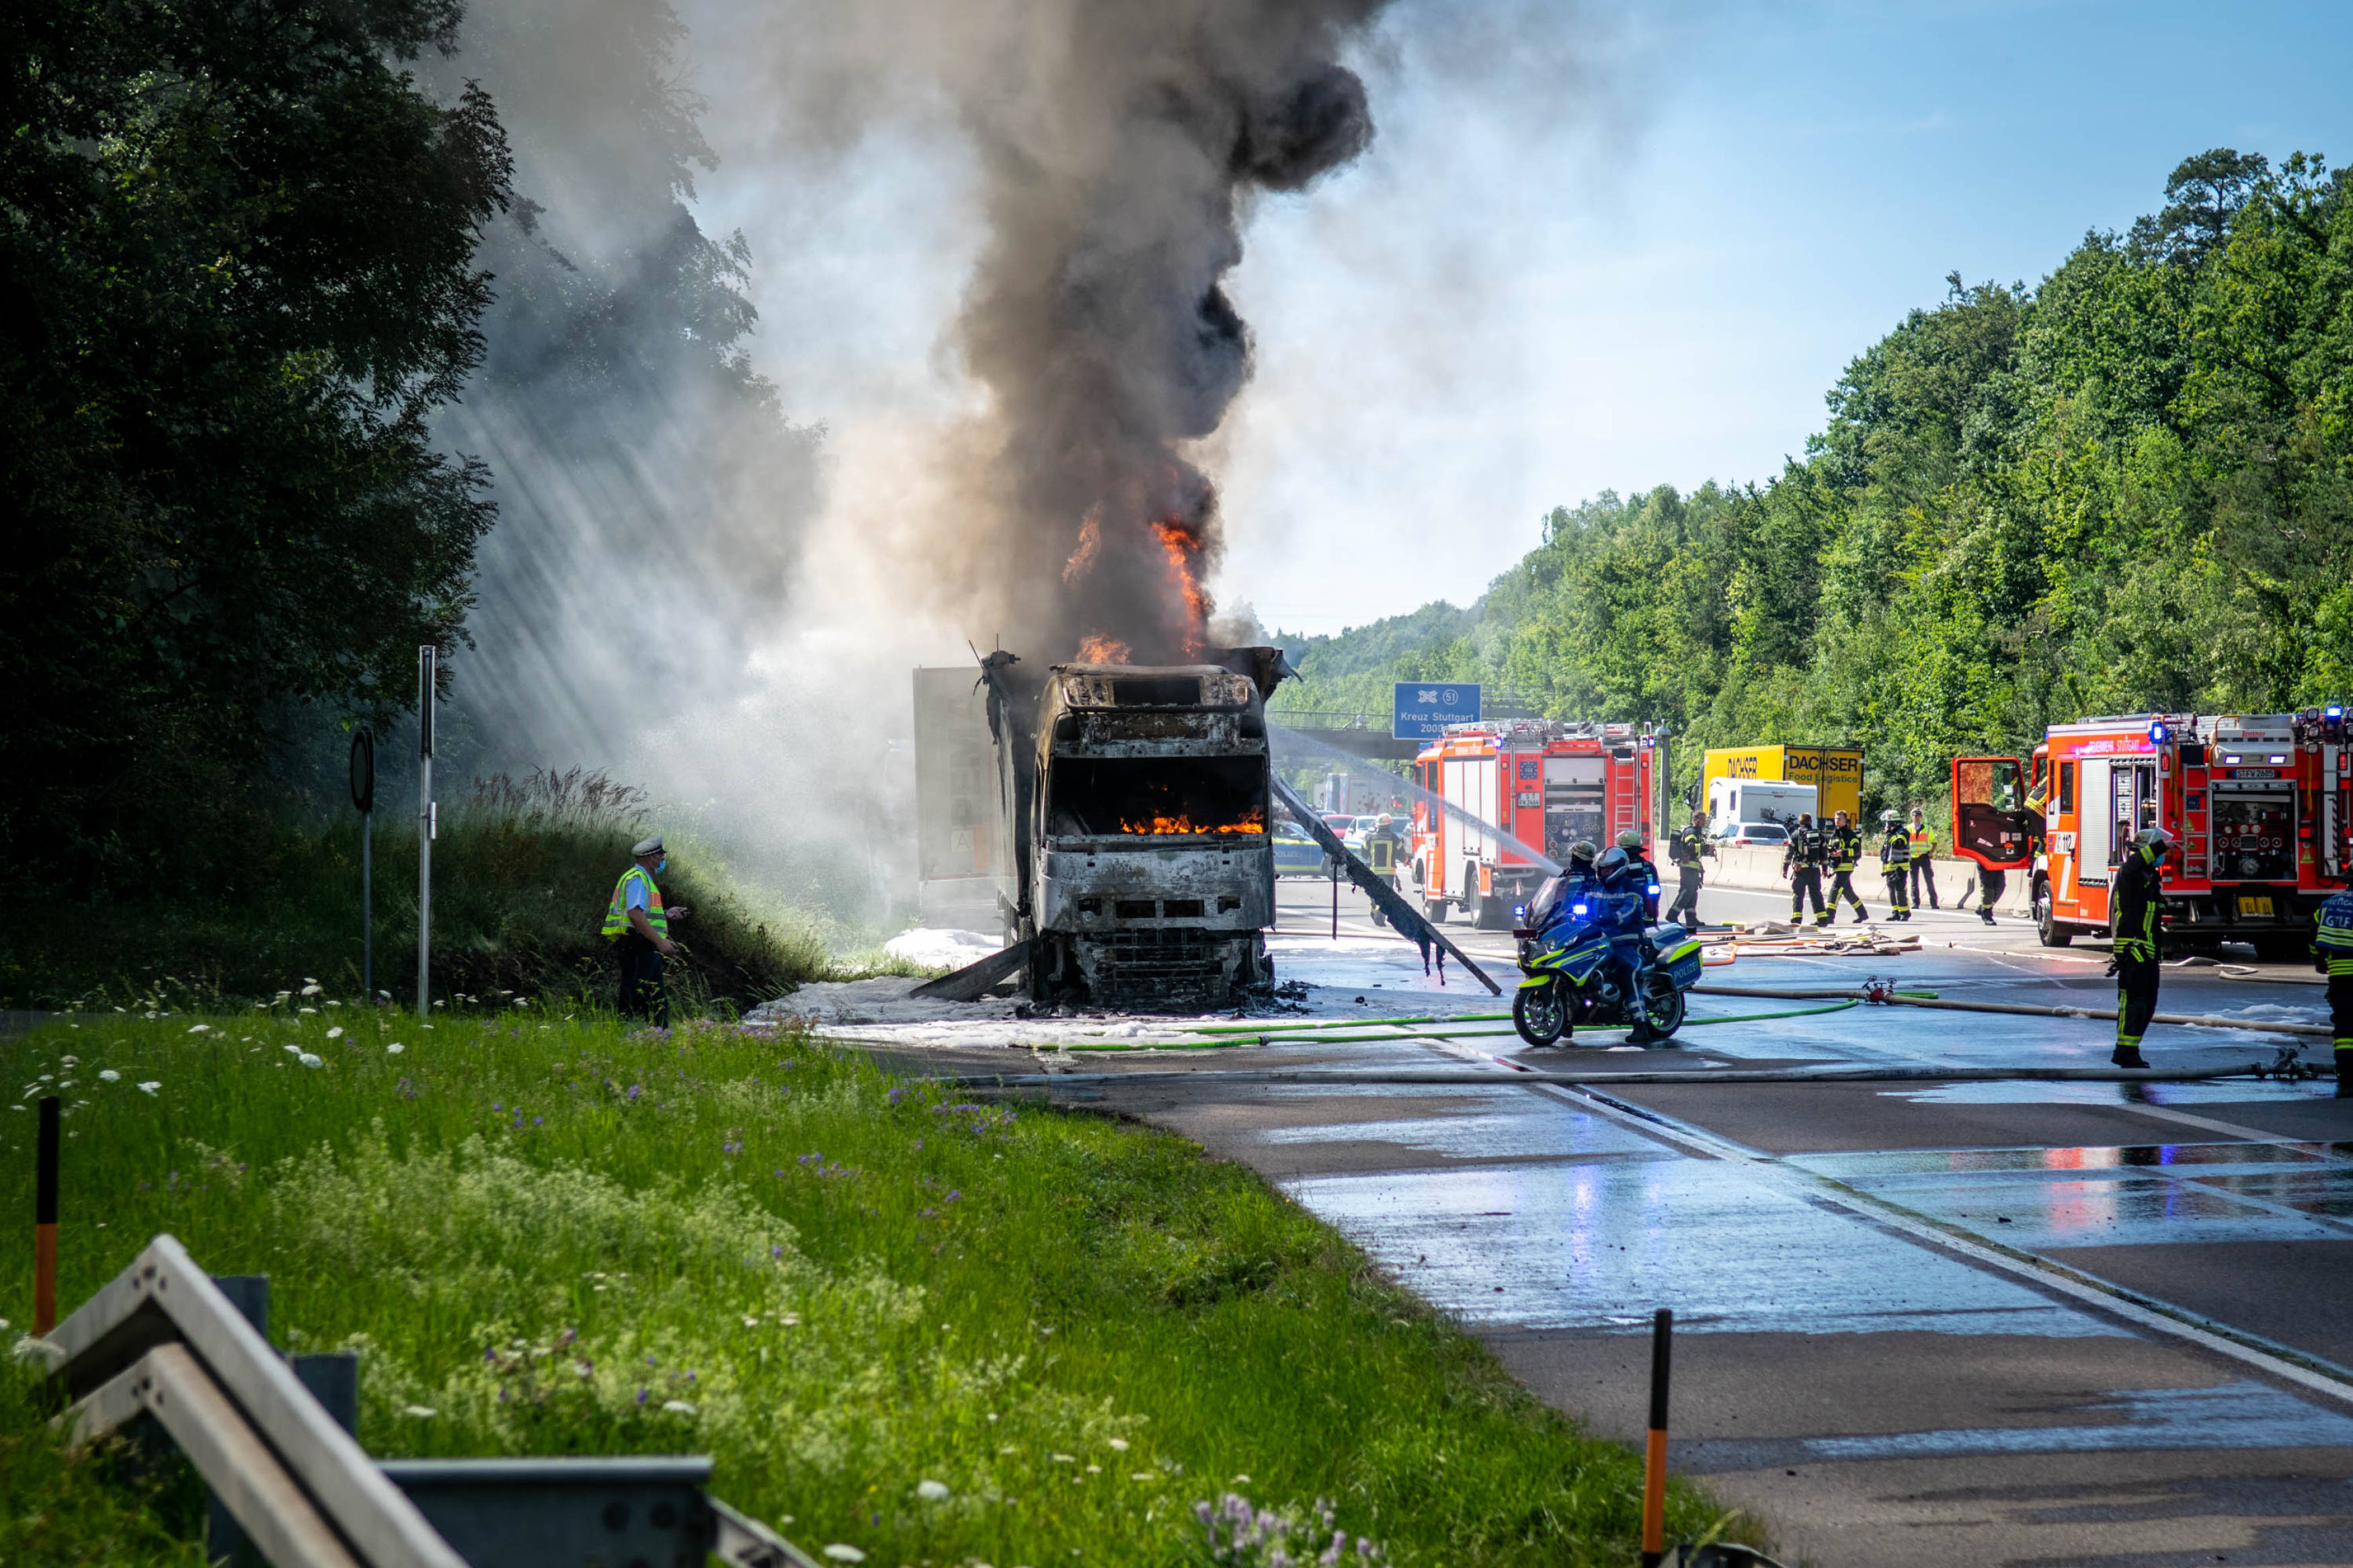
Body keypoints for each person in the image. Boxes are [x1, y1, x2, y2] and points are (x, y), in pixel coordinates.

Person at [603, 834, 684, 1026]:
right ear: (650, 858)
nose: (663, 859)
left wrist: (666, 914)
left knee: (657, 999)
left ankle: (660, 1038)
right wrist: (660, 941)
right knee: (633, 994)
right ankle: (621, 1034)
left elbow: (643, 912)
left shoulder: (643, 879)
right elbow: (635, 914)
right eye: (660, 855)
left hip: (644, 946)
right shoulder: (637, 879)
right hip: (637, 945)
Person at [2109, 826, 2170, 1068]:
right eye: (2158, 850)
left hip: (2148, 951)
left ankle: (2131, 1049)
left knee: (2148, 1004)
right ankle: (2125, 1052)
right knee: (2133, 1003)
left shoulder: (2148, 876)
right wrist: (2160, 846)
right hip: (2133, 950)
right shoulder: (2131, 871)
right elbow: (2134, 865)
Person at [2313, 884, 2353, 1096]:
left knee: (2345, 1023)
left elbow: (2314, 935)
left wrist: (2318, 960)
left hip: (2340, 975)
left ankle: (2346, 1071)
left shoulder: (2329, 905)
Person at [1665, 808, 1712, 927]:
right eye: (1701, 820)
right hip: (1687, 867)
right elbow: (1690, 847)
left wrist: (1707, 850)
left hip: (1693, 867)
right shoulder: (1691, 832)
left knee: (1692, 893)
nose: (1703, 822)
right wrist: (1705, 847)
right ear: (1694, 820)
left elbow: (1696, 850)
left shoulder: (1697, 832)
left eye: (1704, 820)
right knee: (1686, 892)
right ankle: (1672, 914)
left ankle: (1691, 918)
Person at [1825, 810, 1869, 923]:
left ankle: (1829, 916)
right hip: (1837, 866)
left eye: (1839, 819)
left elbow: (1857, 851)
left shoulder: (1850, 834)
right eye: (1835, 818)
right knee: (1848, 892)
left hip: (1846, 867)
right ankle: (1862, 914)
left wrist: (1842, 853)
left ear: (1845, 820)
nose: (1837, 821)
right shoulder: (1834, 834)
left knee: (1835, 890)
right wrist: (1830, 855)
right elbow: (1830, 849)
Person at [1784, 812, 1827, 925]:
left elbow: (1789, 853)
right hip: (1814, 870)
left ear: (1800, 822)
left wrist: (1785, 868)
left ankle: (1797, 919)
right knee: (1816, 894)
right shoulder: (1818, 835)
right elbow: (1824, 853)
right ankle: (1822, 919)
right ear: (1810, 822)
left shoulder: (1796, 835)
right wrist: (1825, 869)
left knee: (1798, 894)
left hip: (1800, 871)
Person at [1618, 828, 1662, 921]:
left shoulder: (1618, 867)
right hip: (1647, 916)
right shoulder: (1649, 867)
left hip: (1623, 916)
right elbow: (1656, 890)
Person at [1876, 810, 1913, 921]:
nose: (1886, 826)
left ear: (1894, 823)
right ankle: (1895, 912)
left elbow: (1899, 844)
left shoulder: (1903, 832)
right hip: (1890, 867)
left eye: (1888, 823)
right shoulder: (1891, 835)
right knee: (1892, 890)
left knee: (1900, 890)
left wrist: (1890, 834)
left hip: (1900, 867)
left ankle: (1904, 913)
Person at [1907, 807, 1940, 909]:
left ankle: (1934, 903)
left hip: (1924, 857)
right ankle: (1915, 903)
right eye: (1915, 816)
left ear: (1921, 817)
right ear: (1912, 817)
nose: (1916, 818)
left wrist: (1931, 852)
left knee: (1929, 880)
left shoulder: (1927, 828)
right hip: (1912, 858)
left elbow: (1934, 842)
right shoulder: (1907, 829)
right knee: (1914, 882)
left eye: (1918, 816)